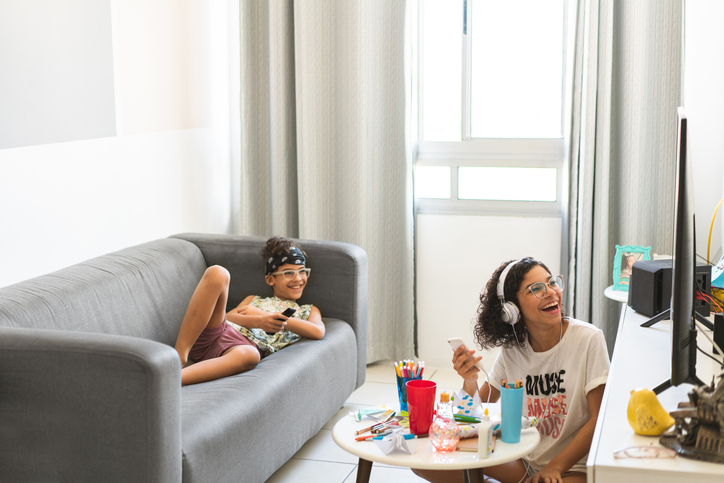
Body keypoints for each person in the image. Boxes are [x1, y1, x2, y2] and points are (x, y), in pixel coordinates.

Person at [413, 258, 609, 483]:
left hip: (571, 467)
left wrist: (554, 468)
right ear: (511, 309)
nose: (551, 293)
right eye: (536, 289)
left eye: (552, 283)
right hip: (521, 460)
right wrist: (470, 380)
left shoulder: (588, 339)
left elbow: (598, 419)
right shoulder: (513, 348)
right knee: (422, 464)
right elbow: (472, 414)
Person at [173, 237, 324, 386]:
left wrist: (266, 317)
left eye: (302, 271)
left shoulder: (308, 310)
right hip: (217, 333)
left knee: (251, 355)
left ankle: (170, 380)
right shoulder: (254, 300)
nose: (298, 278)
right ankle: (178, 356)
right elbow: (228, 317)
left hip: (237, 350)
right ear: (270, 280)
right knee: (218, 273)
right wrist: (258, 321)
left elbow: (317, 331)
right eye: (288, 273)